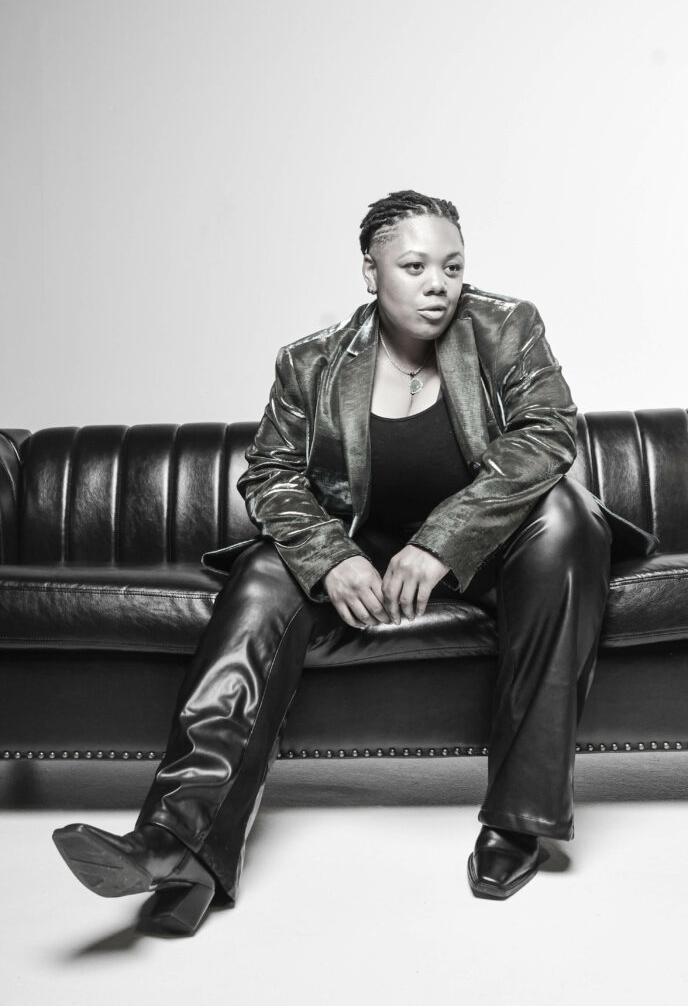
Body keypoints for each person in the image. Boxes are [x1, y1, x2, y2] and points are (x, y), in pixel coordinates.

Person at [52, 189, 652, 935]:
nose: (438, 284)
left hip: (498, 557)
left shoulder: (506, 326)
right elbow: (271, 475)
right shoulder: (310, 363)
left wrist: (440, 543)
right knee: (263, 573)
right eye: (414, 266)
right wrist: (331, 557)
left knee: (566, 513)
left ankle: (518, 822)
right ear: (371, 272)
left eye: (453, 266)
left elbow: (546, 433)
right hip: (363, 559)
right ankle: (179, 842)